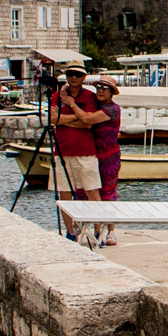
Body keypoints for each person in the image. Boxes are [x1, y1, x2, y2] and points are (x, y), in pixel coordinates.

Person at [49, 64, 105, 237]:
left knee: (92, 191)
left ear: (84, 77)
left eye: (78, 74)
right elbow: (52, 119)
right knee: (64, 193)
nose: (74, 77)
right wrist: (78, 116)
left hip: (85, 151)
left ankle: (98, 231)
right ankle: (70, 231)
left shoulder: (90, 96)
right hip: (62, 151)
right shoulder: (57, 96)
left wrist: (66, 117)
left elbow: (88, 122)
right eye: (71, 74)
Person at [90, 75, 124, 246]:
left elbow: (87, 120)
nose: (101, 91)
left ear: (111, 92)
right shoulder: (95, 106)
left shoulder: (112, 109)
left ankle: (111, 231)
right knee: (90, 191)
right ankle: (95, 228)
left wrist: (72, 106)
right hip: (93, 154)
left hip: (109, 155)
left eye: (105, 88)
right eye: (98, 88)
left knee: (108, 193)